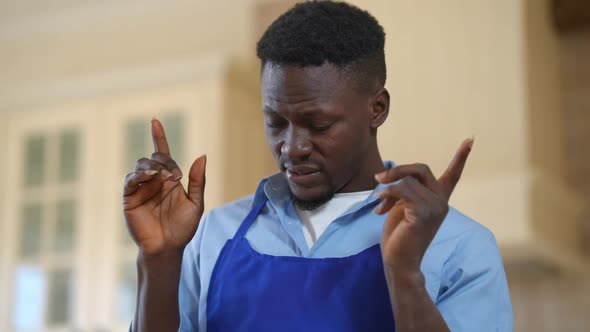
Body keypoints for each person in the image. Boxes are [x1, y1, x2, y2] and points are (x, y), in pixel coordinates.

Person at [123, 1, 513, 331]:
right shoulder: (214, 234)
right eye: (276, 122)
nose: (291, 147)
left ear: (377, 109)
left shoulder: (460, 246)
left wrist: (405, 273)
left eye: (319, 124)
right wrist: (158, 259)